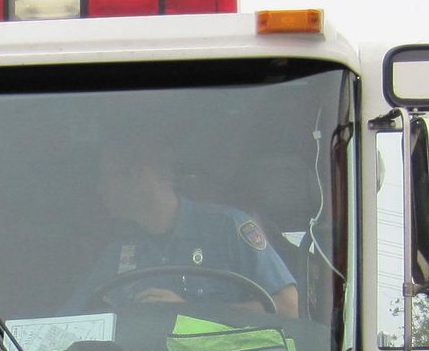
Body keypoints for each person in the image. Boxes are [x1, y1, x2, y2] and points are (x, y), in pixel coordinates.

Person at [68, 131, 299, 317]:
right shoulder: (117, 254)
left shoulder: (229, 229)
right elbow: (71, 320)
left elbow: (289, 308)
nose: (100, 188)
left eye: (106, 176)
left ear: (140, 176)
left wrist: (191, 312)